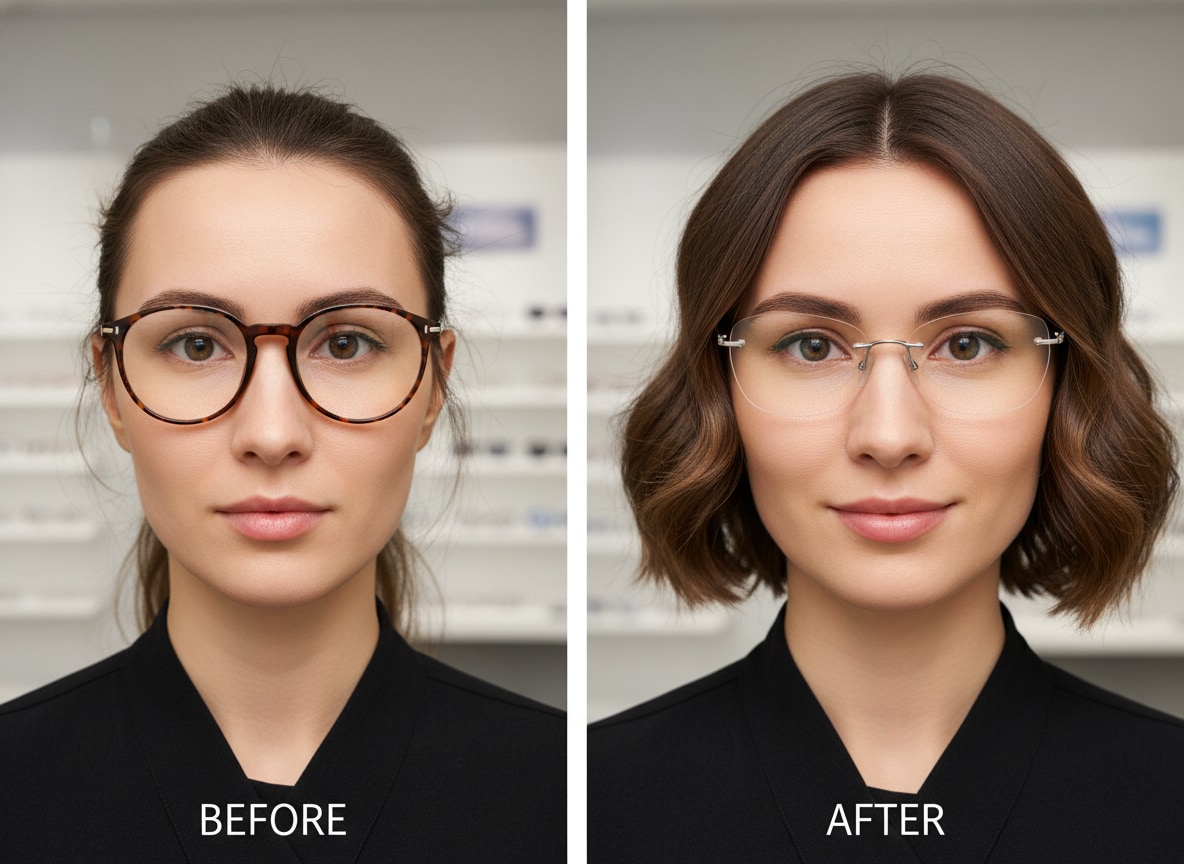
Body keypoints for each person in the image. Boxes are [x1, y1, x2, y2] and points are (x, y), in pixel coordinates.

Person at [589, 70, 1184, 862]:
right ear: (717, 392)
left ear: (1069, 390)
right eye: (811, 345)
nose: (890, 433)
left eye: (968, 344)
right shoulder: (586, 807)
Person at [0, 84, 564, 862]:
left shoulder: (574, 802)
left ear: (434, 385)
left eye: (345, 343)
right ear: (112, 388)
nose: (272, 433)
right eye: (196, 344)